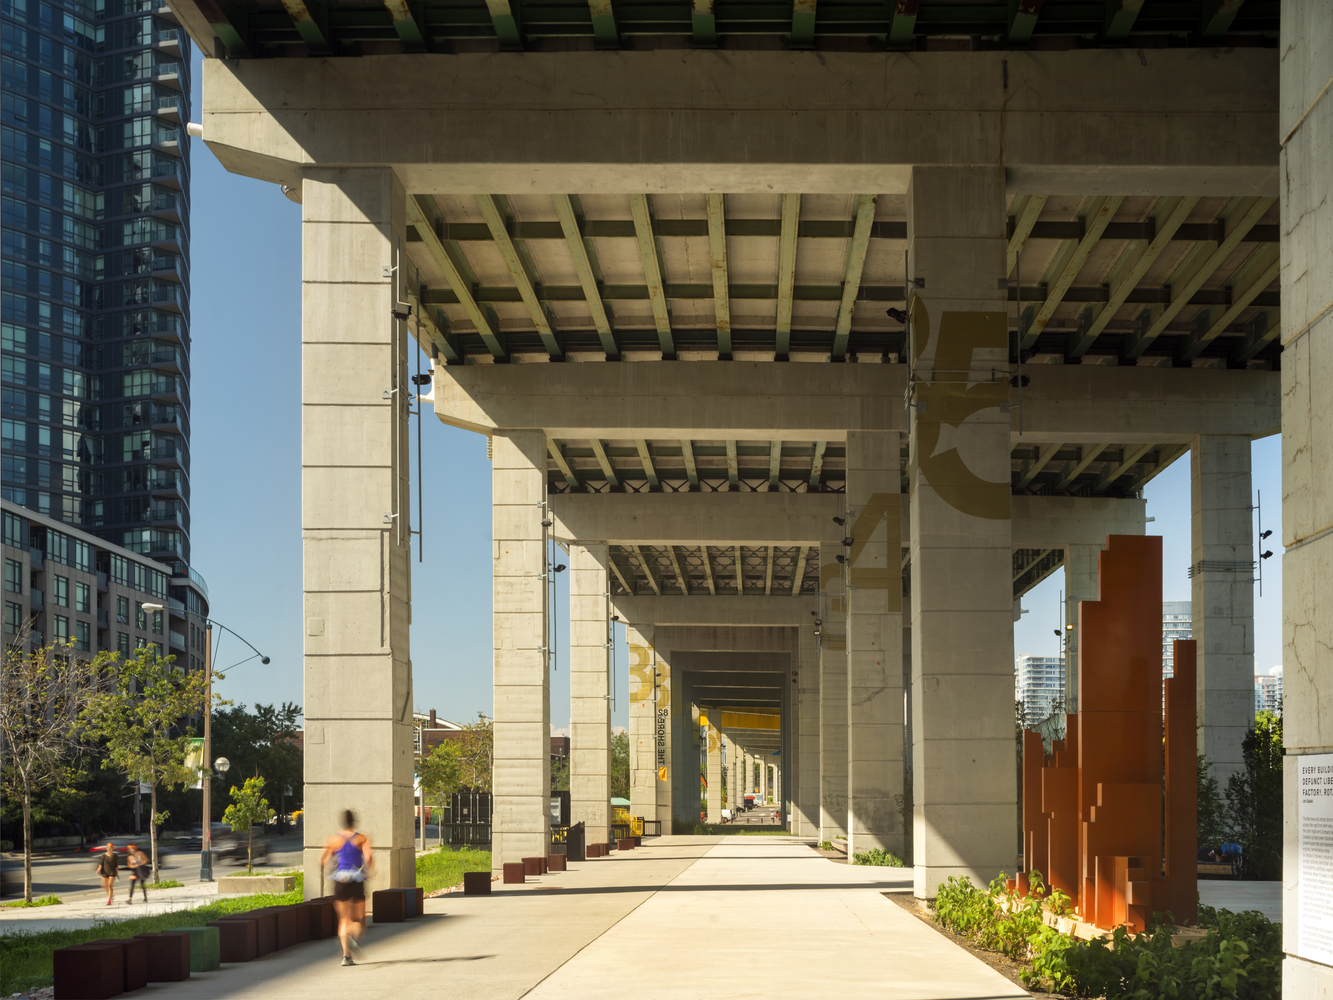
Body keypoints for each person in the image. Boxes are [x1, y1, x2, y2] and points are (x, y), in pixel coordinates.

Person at [321, 810, 373, 967]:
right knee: (360, 919)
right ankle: (355, 937)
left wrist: (327, 870)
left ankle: (345, 956)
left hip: (340, 881)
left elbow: (322, 859)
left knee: (343, 919)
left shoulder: (334, 839)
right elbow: (368, 857)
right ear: (354, 822)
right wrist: (369, 870)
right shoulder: (362, 838)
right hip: (356, 880)